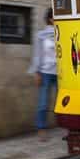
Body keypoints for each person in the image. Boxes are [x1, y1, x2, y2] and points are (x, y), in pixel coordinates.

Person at [28, 9, 58, 140]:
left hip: (60, 74)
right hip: (45, 73)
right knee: (43, 103)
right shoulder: (41, 35)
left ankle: (66, 126)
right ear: (51, 19)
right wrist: (36, 72)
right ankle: (41, 129)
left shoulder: (62, 34)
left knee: (63, 103)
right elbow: (37, 55)